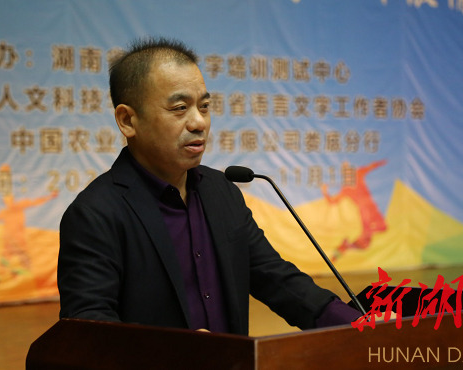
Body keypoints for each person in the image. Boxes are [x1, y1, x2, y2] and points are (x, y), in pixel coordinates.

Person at [57, 37, 362, 335]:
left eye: (204, 106)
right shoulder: (95, 214)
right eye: (180, 108)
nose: (199, 122)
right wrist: (176, 354)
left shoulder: (221, 191)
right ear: (127, 120)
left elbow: (274, 277)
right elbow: (87, 327)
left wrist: (359, 324)